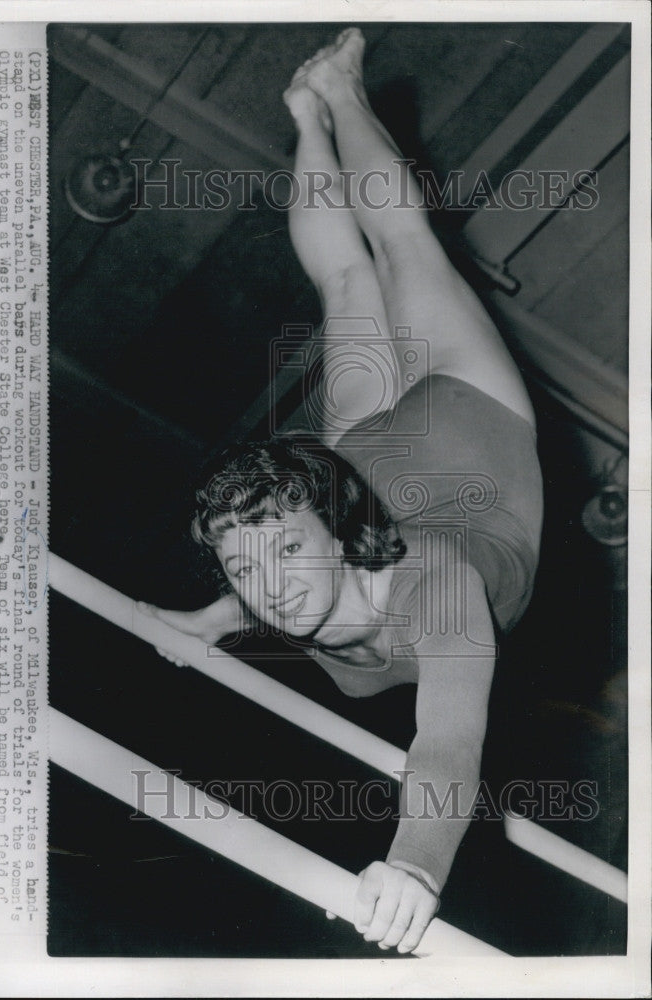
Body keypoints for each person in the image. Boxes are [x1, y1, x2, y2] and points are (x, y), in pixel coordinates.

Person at [139, 27, 543, 954]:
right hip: (370, 461)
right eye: (246, 566)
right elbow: (265, 570)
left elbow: (445, 742)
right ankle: (305, 119)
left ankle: (338, 91)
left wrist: (416, 865)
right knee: (346, 278)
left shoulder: (440, 587)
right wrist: (208, 623)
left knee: (396, 253)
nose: (269, 585)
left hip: (462, 420)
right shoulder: (289, 561)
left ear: (328, 524)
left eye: (283, 548)